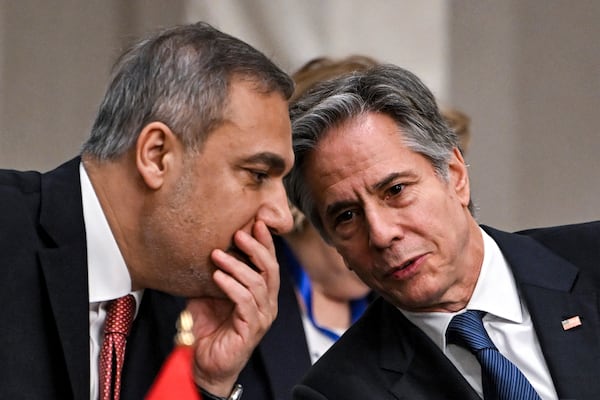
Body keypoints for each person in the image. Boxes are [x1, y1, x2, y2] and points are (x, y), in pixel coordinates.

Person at [0, 21, 296, 400]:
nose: (282, 217)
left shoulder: (193, 320)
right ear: (157, 156)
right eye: (257, 175)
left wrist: (204, 385)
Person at [284, 64, 600, 399]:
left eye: (395, 190)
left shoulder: (591, 259)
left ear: (455, 175)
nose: (380, 234)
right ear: (331, 240)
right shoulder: (338, 392)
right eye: (346, 216)